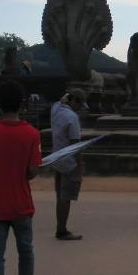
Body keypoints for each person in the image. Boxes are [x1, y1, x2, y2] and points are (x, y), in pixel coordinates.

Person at [0, 81, 45, 275]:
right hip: (21, 201)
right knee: (25, 250)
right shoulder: (32, 134)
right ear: (22, 104)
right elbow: (32, 171)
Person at [50, 90, 85, 241]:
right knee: (66, 197)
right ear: (74, 101)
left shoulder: (55, 109)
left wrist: (64, 98)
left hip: (57, 159)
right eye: (79, 104)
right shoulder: (72, 117)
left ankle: (60, 227)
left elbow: (59, 101)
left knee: (60, 195)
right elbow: (75, 145)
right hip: (69, 162)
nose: (79, 108)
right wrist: (79, 164)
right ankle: (62, 230)